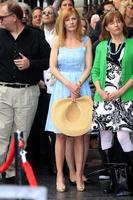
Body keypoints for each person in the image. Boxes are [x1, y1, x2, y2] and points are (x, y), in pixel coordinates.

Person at [0, 0, 50, 184]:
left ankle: (13, 173)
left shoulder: (36, 35)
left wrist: (31, 64)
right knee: (1, 133)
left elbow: (49, 60)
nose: (0, 20)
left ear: (14, 17)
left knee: (20, 136)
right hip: (2, 91)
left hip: (27, 93)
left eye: (2, 17)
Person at [45, 7, 92, 192]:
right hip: (62, 88)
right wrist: (68, 85)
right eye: (67, 20)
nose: (71, 22)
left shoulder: (86, 40)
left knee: (80, 134)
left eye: (74, 19)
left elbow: (88, 66)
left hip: (81, 87)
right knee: (60, 134)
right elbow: (52, 66)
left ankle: (79, 175)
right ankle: (60, 175)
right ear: (62, 22)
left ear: (78, 21)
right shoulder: (57, 41)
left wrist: (78, 84)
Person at [91, 10, 133, 193]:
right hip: (103, 99)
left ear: (122, 24)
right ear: (106, 27)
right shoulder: (101, 46)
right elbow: (95, 71)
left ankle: (129, 178)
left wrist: (121, 91)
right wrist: (100, 90)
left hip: (125, 97)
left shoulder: (132, 44)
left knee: (123, 135)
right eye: (112, 22)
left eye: (119, 21)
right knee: (105, 137)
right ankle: (115, 180)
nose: (116, 24)